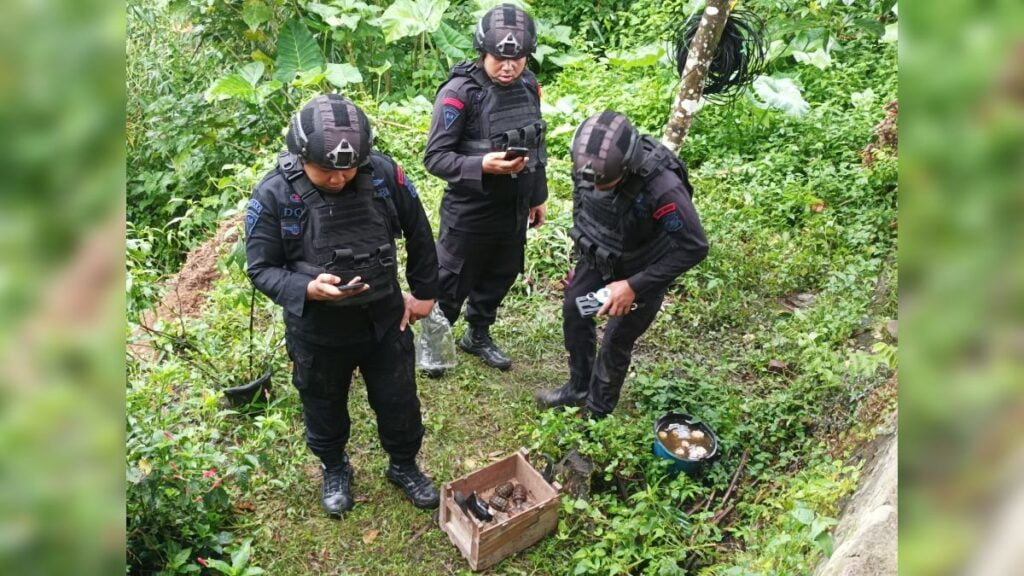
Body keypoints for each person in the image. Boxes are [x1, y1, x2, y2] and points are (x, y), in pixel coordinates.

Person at [245, 94, 441, 517]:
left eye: (348, 168)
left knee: (399, 399)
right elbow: (260, 268)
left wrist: (424, 294)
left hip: (384, 320)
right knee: (322, 403)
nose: (339, 178)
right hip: (318, 329)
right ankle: (335, 468)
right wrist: (308, 288)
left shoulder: (385, 175)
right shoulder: (275, 194)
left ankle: (404, 465)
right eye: (327, 170)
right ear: (300, 156)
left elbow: (420, 233)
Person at [535, 111, 709, 418]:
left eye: (607, 184)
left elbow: (694, 247)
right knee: (577, 308)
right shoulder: (590, 165)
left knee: (616, 338)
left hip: (642, 272)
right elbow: (586, 208)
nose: (597, 188)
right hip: (600, 259)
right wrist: (583, 259)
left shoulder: (663, 188)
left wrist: (633, 287)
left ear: (627, 168)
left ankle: (597, 414)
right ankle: (579, 387)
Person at [423, 3, 548, 373]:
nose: (509, 66)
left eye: (518, 58)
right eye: (499, 58)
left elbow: (535, 142)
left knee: (501, 273)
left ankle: (477, 334)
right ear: (483, 52)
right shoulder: (460, 92)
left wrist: (537, 195)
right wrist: (481, 164)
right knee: (451, 280)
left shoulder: (529, 85)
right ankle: (433, 347)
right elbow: (435, 157)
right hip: (469, 208)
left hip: (514, 204)